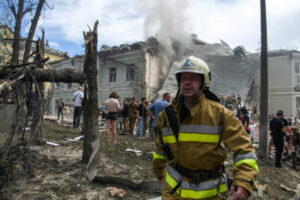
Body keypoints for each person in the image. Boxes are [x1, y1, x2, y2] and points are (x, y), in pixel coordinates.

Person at [152, 56, 258, 200]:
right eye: (183, 78)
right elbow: (160, 148)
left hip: (211, 194)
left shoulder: (220, 114)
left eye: (193, 78)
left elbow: (244, 149)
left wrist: (244, 179)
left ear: (204, 82)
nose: (187, 83)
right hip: (174, 192)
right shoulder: (166, 116)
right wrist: (158, 170)